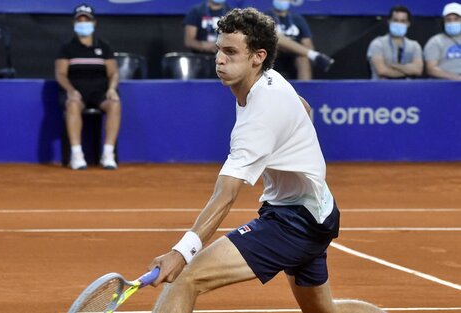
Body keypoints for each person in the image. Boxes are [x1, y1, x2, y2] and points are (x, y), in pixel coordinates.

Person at [148, 8, 385, 313]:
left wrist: (181, 254)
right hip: (317, 211)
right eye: (219, 49)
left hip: (296, 221)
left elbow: (225, 195)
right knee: (326, 312)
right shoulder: (269, 79)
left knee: (186, 277)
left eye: (231, 52)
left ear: (257, 56)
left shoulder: (259, 116)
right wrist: (293, 141)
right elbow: (305, 107)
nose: (219, 59)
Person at [55, 4, 121, 170]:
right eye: (80, 20)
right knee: (72, 105)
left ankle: (108, 153)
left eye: (87, 20)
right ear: (74, 23)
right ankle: (77, 155)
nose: (83, 23)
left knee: (115, 104)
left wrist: (112, 89)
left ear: (94, 23)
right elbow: (61, 74)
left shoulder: (104, 47)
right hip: (77, 91)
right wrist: (70, 91)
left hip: (100, 92)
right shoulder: (67, 48)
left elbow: (113, 73)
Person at [265, 0, 334, 80]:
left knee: (303, 57)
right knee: (275, 36)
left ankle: (304, 90)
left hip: (294, 54)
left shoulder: (297, 18)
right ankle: (314, 55)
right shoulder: (266, 16)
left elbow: (307, 43)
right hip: (274, 52)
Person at [367, 5, 423, 80]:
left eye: (403, 21)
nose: (399, 24)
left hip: (407, 90)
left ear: (408, 24)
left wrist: (394, 66)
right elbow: (382, 71)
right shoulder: (377, 44)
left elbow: (418, 70)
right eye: (395, 20)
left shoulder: (414, 46)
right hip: (381, 89)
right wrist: (407, 71)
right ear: (389, 22)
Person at [424, 2, 461, 80]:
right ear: (443, 22)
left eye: (456, 19)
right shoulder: (435, 41)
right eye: (448, 19)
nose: (452, 22)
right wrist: (457, 78)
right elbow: (431, 69)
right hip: (444, 83)